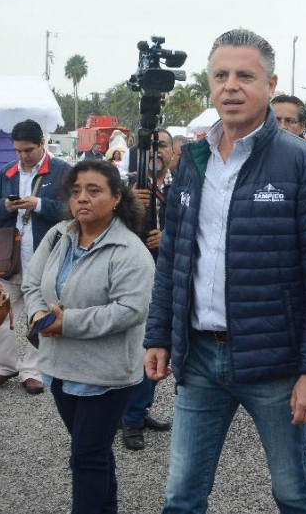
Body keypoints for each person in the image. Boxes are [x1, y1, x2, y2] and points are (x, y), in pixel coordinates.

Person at [144, 28, 306, 513]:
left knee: (293, 493)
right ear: (209, 85)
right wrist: (158, 335)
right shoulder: (192, 161)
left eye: (244, 75)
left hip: (274, 364)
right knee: (181, 496)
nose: (230, 86)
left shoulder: (305, 164)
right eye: (220, 75)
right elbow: (173, 258)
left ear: (271, 83)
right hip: (198, 359)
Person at [23, 159, 154, 514]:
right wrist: (38, 313)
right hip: (59, 367)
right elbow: (32, 283)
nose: (83, 198)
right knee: (93, 452)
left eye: (94, 191)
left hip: (105, 374)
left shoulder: (130, 251)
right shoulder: (58, 235)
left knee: (85, 457)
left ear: (115, 198)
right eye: (77, 191)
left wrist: (67, 323)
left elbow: (130, 310)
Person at [0, 119, 70, 395]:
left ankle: (33, 371)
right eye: (18, 151)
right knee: (0, 316)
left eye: (28, 150)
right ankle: (4, 366)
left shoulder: (61, 171)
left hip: (43, 259)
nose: (22, 156)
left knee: (40, 317)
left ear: (42, 143)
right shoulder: (7, 173)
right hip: (8, 259)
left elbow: (72, 209)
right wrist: (5, 206)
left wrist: (39, 204)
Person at [120, 129, 175, 451]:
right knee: (134, 346)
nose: (156, 151)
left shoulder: (183, 185)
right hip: (130, 276)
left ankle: (139, 409)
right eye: (149, 146)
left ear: (172, 152)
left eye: (162, 146)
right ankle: (130, 416)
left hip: (167, 275)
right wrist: (125, 203)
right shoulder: (125, 185)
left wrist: (168, 237)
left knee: (157, 344)